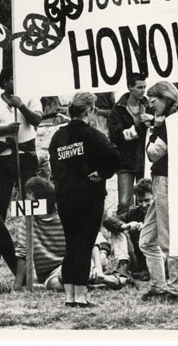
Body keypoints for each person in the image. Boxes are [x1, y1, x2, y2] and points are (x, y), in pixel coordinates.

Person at [49, 92, 121, 308]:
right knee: (84, 244)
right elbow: (115, 157)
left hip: (65, 197)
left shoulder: (58, 137)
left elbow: (55, 168)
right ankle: (80, 296)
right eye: (94, 110)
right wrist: (101, 173)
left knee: (71, 245)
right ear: (89, 111)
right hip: (89, 197)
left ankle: (70, 296)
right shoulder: (93, 135)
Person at [14, 177, 121, 292]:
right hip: (50, 273)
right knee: (55, 284)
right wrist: (17, 285)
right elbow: (22, 252)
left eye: (29, 195)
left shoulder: (65, 216)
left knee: (68, 273)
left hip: (72, 263)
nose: (26, 198)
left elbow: (89, 241)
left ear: (41, 199)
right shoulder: (28, 220)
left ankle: (97, 277)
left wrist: (98, 268)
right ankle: (97, 283)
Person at [140, 81, 178, 302]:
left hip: (167, 180)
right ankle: (159, 286)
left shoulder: (171, 123)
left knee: (169, 239)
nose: (150, 103)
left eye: (154, 99)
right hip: (160, 179)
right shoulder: (169, 121)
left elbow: (153, 153)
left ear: (166, 99)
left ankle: (175, 290)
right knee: (147, 240)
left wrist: (155, 128)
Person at [0, 67, 42, 220]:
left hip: (25, 156)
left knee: (30, 196)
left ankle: (30, 233)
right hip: (2, 158)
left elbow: (37, 119)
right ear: (5, 81)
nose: (19, 82)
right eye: (14, 78)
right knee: (1, 199)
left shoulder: (31, 97)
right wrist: (5, 129)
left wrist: (21, 106)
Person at [108, 74, 154, 218]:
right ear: (130, 87)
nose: (143, 90)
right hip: (125, 162)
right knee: (124, 203)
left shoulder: (149, 105)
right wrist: (138, 126)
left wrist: (152, 121)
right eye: (139, 87)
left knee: (146, 201)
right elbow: (115, 136)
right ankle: (124, 236)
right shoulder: (118, 109)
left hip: (145, 160)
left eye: (145, 87)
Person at [103, 178, 154, 280]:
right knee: (118, 229)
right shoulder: (133, 213)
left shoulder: (161, 213)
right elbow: (108, 221)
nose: (143, 205)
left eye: (147, 200)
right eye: (140, 201)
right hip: (136, 258)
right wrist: (126, 226)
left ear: (154, 197)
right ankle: (123, 266)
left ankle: (149, 272)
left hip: (156, 259)